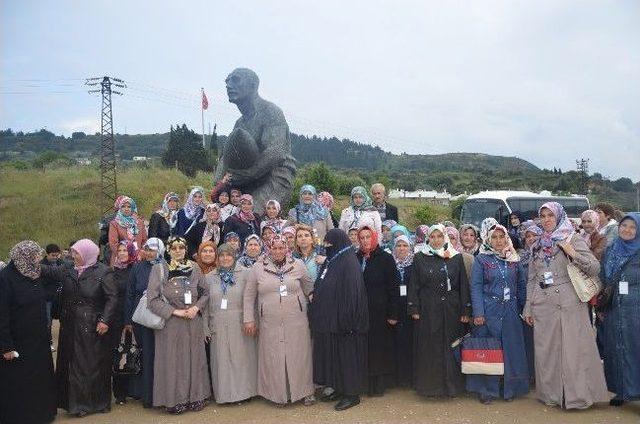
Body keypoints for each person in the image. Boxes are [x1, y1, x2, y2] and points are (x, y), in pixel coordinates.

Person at [523, 202, 609, 409]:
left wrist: (572, 253)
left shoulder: (572, 238)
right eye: (542, 216)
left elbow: (595, 268)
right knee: (547, 351)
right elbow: (533, 278)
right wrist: (528, 306)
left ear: (559, 216)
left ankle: (577, 397)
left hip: (570, 303)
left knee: (574, 351)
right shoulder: (536, 245)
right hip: (544, 303)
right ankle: (553, 395)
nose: (546, 219)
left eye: (550, 215)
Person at [42, 239, 118, 417]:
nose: (72, 255)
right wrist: (29, 265)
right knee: (69, 364)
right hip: (69, 324)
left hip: (92, 325)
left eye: (76, 253)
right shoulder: (68, 269)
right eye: (72, 252)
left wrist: (105, 321)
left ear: (87, 254)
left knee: (89, 366)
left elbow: (112, 298)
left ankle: (91, 403)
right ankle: (72, 403)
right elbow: (49, 271)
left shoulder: (104, 272)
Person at [243, 235, 315, 406]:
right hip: (269, 321)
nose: (278, 251)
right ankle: (277, 395)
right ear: (268, 248)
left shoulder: (298, 265)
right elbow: (248, 296)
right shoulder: (258, 267)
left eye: (281, 247)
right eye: (274, 248)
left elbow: (309, 289)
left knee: (300, 357)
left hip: (296, 321)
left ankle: (305, 392)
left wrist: (319, 311)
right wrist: (248, 319)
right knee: (274, 359)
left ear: (286, 248)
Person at [147, 236, 210, 414]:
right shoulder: (160, 269)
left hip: (193, 321)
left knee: (195, 360)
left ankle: (196, 397)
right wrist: (175, 312)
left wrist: (197, 307)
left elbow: (205, 292)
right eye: (173, 248)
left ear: (186, 249)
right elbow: (152, 300)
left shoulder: (195, 267)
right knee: (174, 361)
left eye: (181, 247)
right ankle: (175, 401)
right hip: (171, 324)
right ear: (168, 250)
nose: (177, 250)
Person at [467, 224, 529, 404]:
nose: (499, 241)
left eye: (502, 237)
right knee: (490, 350)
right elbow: (476, 287)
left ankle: (509, 389)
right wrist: (478, 312)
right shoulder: (482, 260)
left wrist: (523, 308)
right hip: (489, 310)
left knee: (510, 350)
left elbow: (521, 285)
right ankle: (487, 390)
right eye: (494, 237)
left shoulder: (513, 258)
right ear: (487, 239)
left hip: (510, 311)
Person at [407, 224, 470, 397]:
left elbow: (462, 284)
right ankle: (430, 388)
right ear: (428, 239)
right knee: (430, 348)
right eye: (432, 237)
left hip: (451, 310)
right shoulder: (420, 257)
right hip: (429, 310)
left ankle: (452, 387)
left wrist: (465, 310)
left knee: (451, 347)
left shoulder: (456, 257)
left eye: (439, 237)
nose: (436, 240)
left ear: (445, 238)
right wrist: (414, 308)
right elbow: (414, 285)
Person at [310, 229, 369, 411]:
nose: (326, 246)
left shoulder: (348, 262)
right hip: (333, 322)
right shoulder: (334, 259)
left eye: (329, 244)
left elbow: (352, 294)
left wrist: (346, 320)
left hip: (346, 323)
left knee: (347, 358)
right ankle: (340, 388)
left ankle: (352, 394)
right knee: (336, 358)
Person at [0, 241, 57, 424]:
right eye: (34, 256)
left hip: (38, 341)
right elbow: (2, 314)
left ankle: (42, 414)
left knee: (39, 380)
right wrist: (6, 345)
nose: (38, 259)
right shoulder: (6, 278)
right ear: (23, 257)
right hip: (18, 344)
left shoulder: (33, 274)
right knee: (19, 383)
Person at [203, 243, 258, 404]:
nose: (225, 258)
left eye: (228, 255)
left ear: (234, 256)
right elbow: (204, 305)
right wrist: (205, 327)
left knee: (242, 359)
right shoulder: (209, 277)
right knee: (221, 361)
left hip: (240, 323)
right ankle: (225, 395)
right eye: (221, 255)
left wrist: (253, 320)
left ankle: (244, 393)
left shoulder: (246, 274)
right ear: (217, 258)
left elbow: (252, 300)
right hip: (217, 324)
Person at [600, 213, 640, 406]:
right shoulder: (611, 249)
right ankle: (621, 391)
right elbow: (603, 277)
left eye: (633, 227)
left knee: (635, 350)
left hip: (635, 309)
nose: (627, 230)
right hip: (613, 307)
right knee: (615, 349)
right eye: (624, 225)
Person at [356, 226, 399, 396]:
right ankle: (364, 382)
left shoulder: (385, 258)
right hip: (361, 312)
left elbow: (394, 287)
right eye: (362, 237)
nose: (365, 240)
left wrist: (393, 313)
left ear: (374, 237)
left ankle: (379, 385)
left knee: (378, 348)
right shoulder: (356, 257)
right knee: (364, 347)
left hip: (380, 312)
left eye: (368, 237)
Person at [123, 238, 165, 408]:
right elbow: (130, 293)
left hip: (161, 316)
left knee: (160, 355)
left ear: (160, 250)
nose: (149, 252)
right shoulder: (137, 267)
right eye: (146, 249)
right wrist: (128, 320)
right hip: (141, 317)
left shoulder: (166, 266)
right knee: (146, 354)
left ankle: (162, 393)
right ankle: (146, 395)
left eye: (152, 249)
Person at [110, 241, 138, 405]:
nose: (121, 253)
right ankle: (119, 392)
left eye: (125, 250)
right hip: (117, 318)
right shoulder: (112, 271)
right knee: (119, 353)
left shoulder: (135, 269)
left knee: (133, 352)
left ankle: (133, 390)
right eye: (119, 250)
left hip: (133, 317)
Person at [390, 235, 414, 387]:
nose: (402, 248)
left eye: (405, 245)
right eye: (399, 245)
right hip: (395, 308)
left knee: (410, 343)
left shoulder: (415, 264)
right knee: (396, 343)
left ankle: (410, 377)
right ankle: (398, 378)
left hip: (410, 308)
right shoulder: (390, 264)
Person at [108, 196, 147, 266]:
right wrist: (126, 255)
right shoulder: (115, 223)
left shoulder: (139, 222)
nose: (126, 209)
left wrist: (141, 252)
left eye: (129, 207)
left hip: (138, 259)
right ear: (120, 208)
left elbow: (144, 240)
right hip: (121, 259)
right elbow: (113, 243)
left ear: (132, 208)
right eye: (123, 206)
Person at [41, 243, 64, 351]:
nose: (55, 258)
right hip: (47, 298)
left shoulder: (62, 263)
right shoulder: (41, 264)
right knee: (47, 321)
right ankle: (48, 341)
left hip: (61, 297)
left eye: (57, 255)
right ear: (47, 254)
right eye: (53, 255)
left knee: (64, 319)